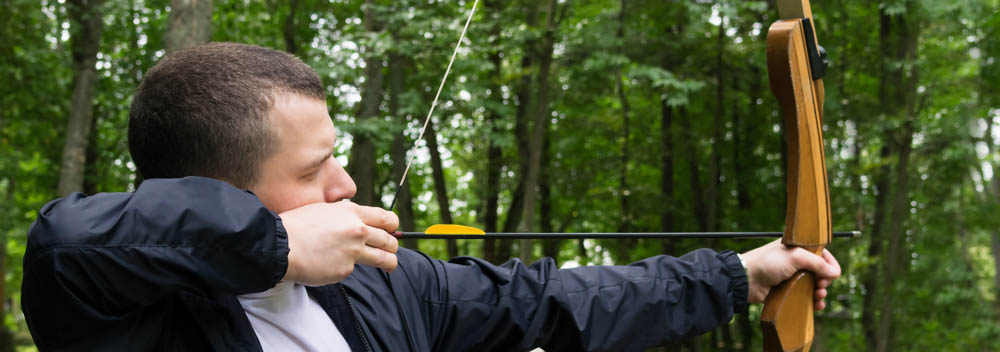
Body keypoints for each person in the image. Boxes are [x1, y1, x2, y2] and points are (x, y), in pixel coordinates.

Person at [22, 42, 841, 351]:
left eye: (336, 157)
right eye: (313, 170)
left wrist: (738, 275)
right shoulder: (130, 318)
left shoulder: (378, 285)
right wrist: (271, 246)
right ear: (212, 191)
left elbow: (556, 302)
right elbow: (64, 247)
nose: (345, 186)